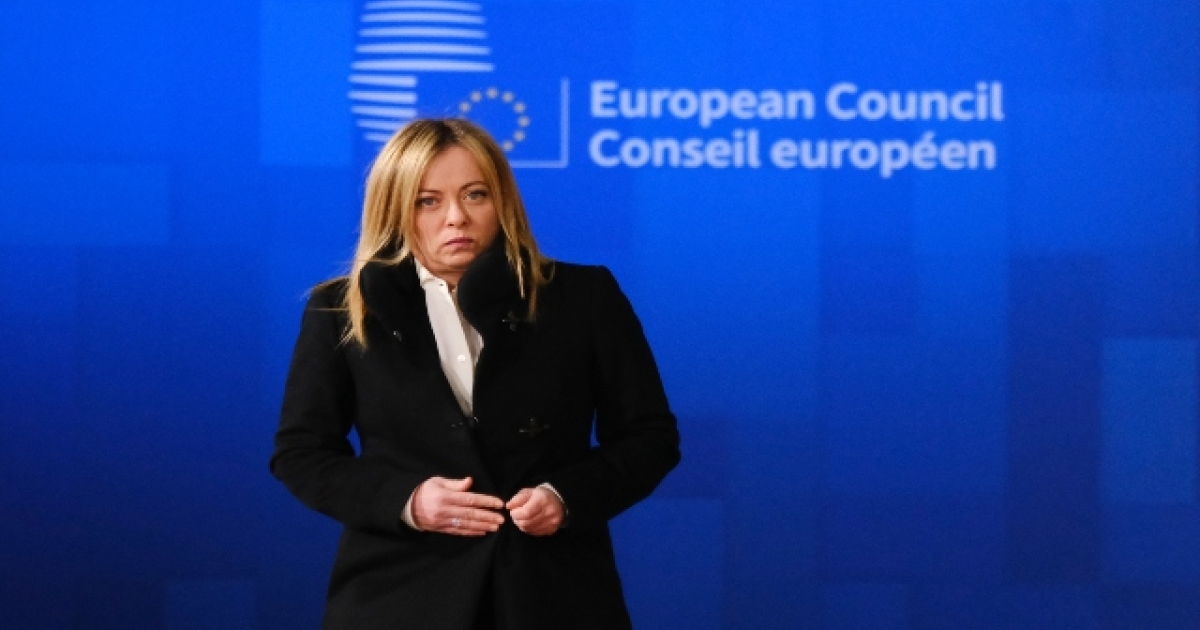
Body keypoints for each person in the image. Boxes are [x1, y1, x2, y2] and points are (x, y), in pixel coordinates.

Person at [270, 118, 681, 630]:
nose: (456, 218)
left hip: (551, 595)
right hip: (399, 596)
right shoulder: (339, 309)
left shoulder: (584, 297)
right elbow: (301, 454)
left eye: (475, 195)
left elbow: (649, 437)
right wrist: (408, 502)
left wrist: (566, 497)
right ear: (394, 208)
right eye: (428, 201)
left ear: (502, 201)